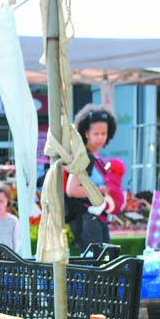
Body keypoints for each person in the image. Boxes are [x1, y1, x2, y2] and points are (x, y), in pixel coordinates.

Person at [65, 105, 118, 249]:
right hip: (87, 219)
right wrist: (99, 191)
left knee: (105, 258)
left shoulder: (97, 158)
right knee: (96, 259)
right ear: (87, 133)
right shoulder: (83, 157)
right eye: (96, 134)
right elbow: (71, 190)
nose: (101, 137)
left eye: (104, 133)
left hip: (98, 218)